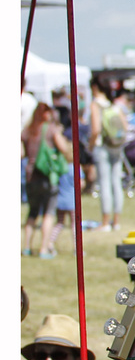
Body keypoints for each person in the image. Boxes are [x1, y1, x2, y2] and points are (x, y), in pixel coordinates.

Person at [21, 104, 71, 260]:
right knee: (48, 213)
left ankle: (27, 247)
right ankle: (43, 248)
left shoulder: (27, 130)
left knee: (32, 212)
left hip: (31, 176)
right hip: (48, 177)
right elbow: (64, 149)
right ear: (46, 114)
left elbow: (21, 153)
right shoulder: (51, 130)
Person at [89, 82, 126, 233]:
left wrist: (90, 145)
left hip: (102, 146)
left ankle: (105, 222)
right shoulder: (114, 105)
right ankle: (116, 221)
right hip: (116, 146)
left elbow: (95, 129)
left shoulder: (95, 105)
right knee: (116, 183)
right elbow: (125, 126)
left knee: (104, 183)